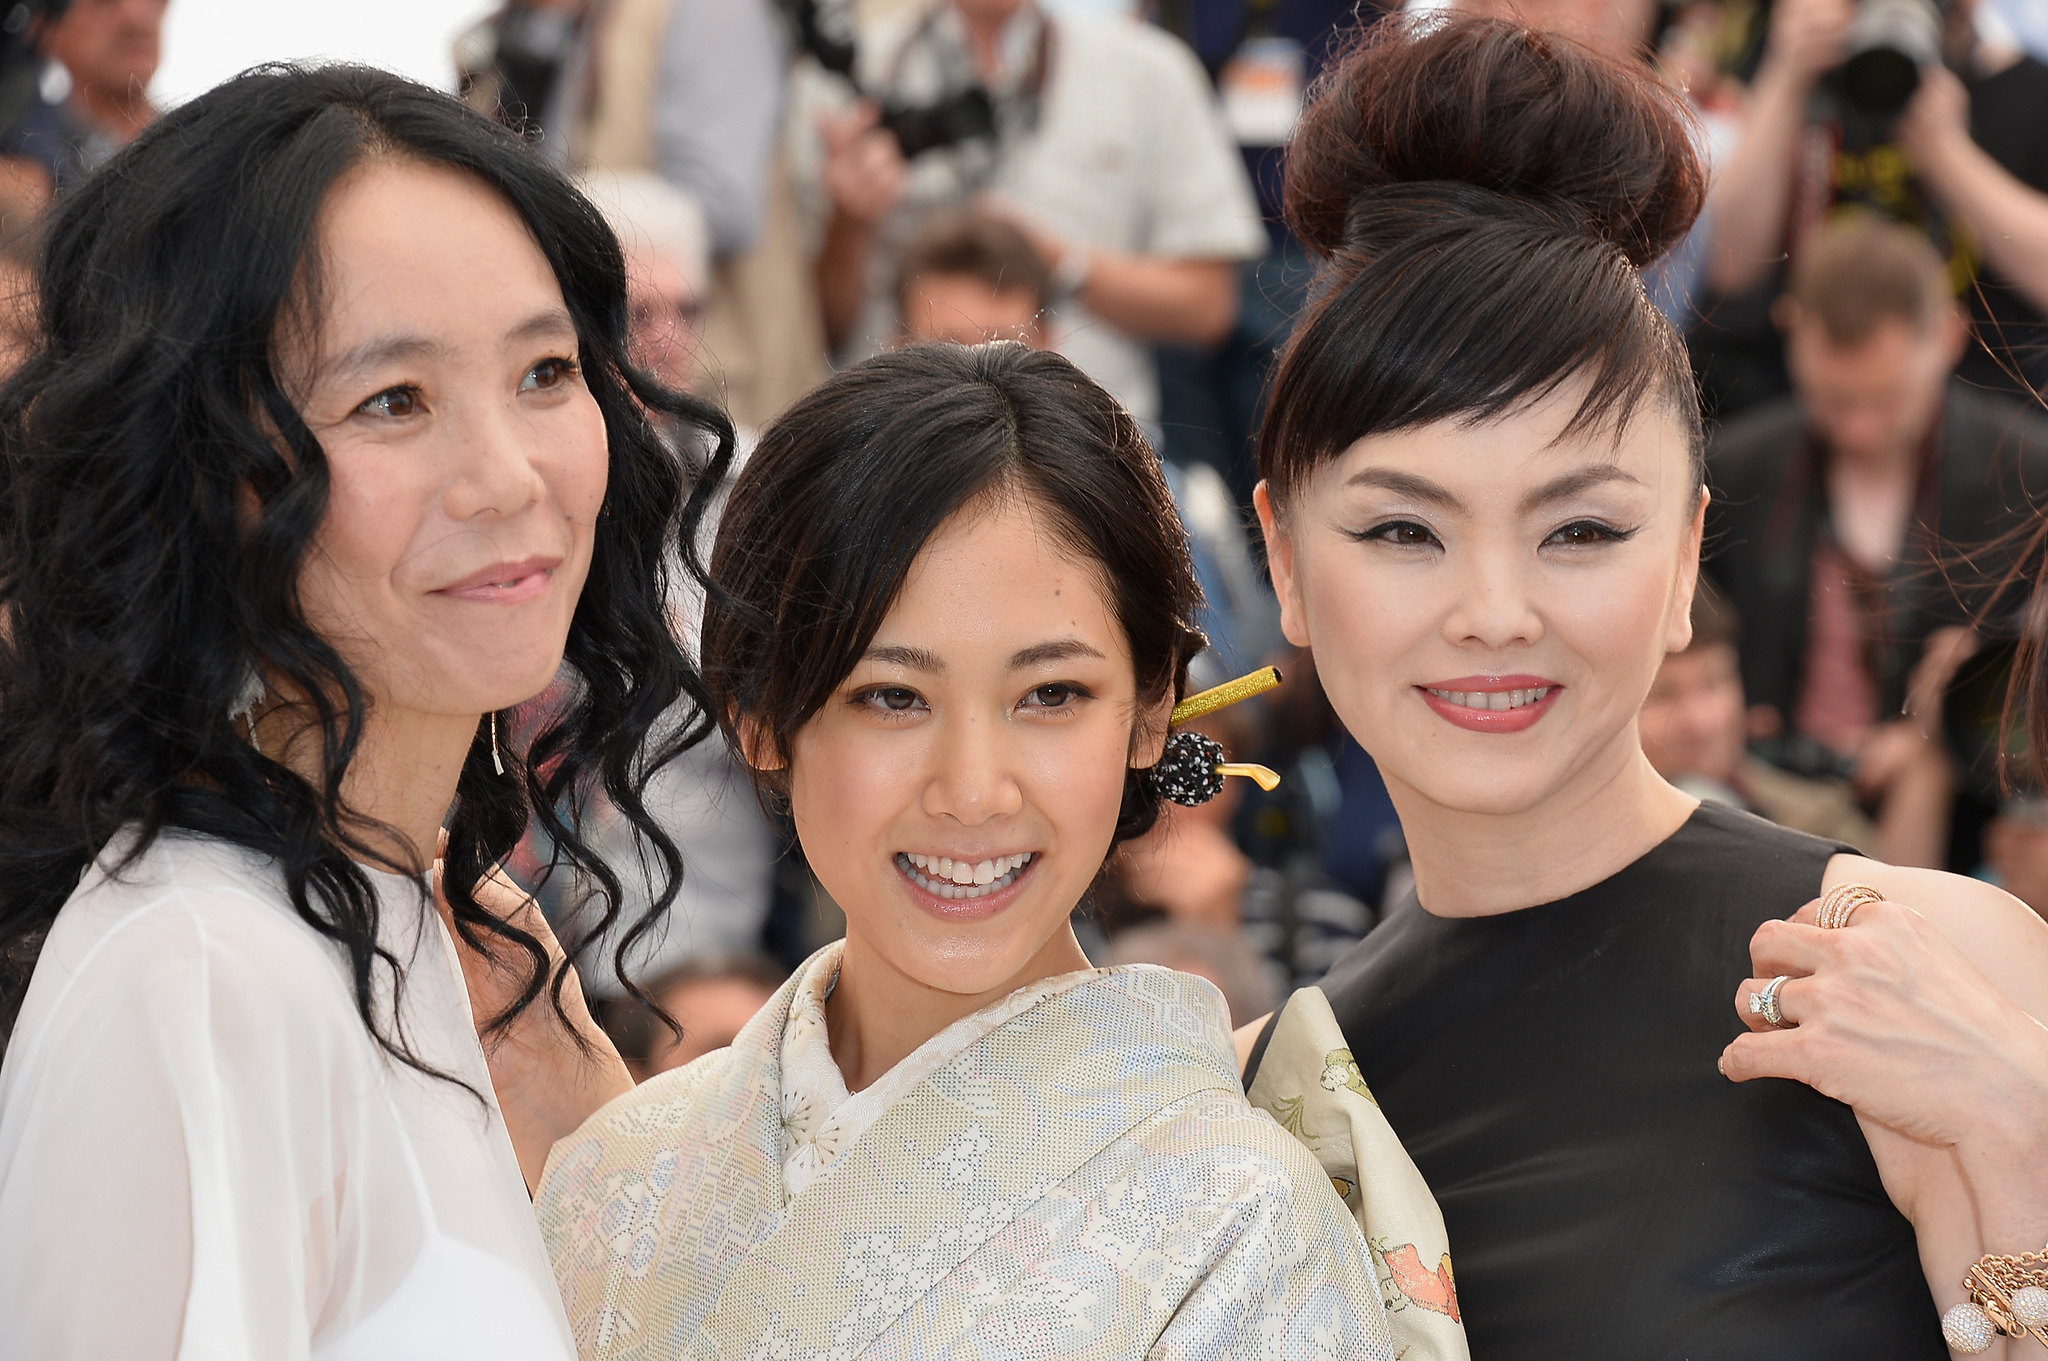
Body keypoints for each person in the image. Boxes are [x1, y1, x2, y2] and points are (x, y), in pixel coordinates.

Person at [1237, 14, 2048, 1357]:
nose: (1494, 615)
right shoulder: (1267, 1093)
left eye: (1580, 531)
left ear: (1684, 562)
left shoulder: (1920, 971)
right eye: (1401, 530)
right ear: (1284, 560)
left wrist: (2020, 1139)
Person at [0, 63, 732, 1355]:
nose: (507, 477)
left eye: (544, 371)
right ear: (205, 475)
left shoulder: (448, 926)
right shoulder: (200, 979)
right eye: (392, 400)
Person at [532, 342, 1404, 1359]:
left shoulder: (1241, 1220)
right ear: (758, 714)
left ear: (1148, 713)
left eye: (1051, 694)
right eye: (891, 696)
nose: (973, 789)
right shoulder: (613, 1177)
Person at [1704, 215, 2048, 870]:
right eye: (1832, 400)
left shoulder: (2029, 475)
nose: (1859, 429)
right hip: (1764, 807)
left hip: (1966, 829)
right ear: (1791, 328)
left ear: (1947, 336)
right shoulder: (1737, 467)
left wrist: (1962, 704)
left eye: (1887, 400)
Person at [805, 0, 1267, 432]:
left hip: (1092, 445)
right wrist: (848, 224)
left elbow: (1210, 307)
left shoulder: (1150, 73)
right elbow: (807, 328)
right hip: (900, 441)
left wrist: (1061, 263)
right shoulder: (844, 75)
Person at [1697, 0, 2048, 411]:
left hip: (1974, 413)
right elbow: (1726, 266)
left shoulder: (2026, 93)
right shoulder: (1803, 72)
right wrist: (1786, 77)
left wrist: (1946, 151)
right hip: (1801, 398)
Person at [1640, 581, 1955, 866]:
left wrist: (1929, 753)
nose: (1701, 722)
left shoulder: (1819, 817)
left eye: (1715, 683)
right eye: (1664, 695)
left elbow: (1897, 894)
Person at [1, 0, 166, 195]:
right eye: (104, 4)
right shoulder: (22, 150)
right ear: (43, 28)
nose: (137, 18)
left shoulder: (198, 138)